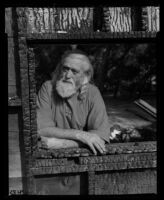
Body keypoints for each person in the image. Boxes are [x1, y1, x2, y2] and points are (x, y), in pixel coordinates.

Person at [37, 49, 111, 155]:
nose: (67, 75)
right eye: (65, 69)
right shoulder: (48, 88)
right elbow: (42, 129)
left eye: (74, 71)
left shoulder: (93, 92)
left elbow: (101, 135)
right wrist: (81, 136)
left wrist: (64, 144)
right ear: (59, 69)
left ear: (85, 76)